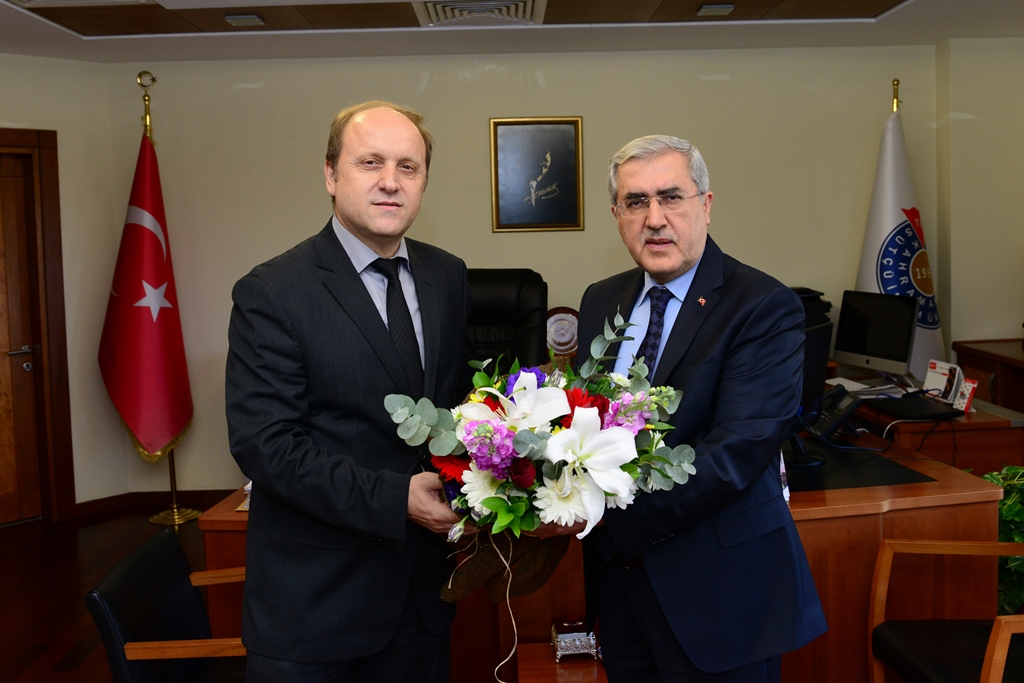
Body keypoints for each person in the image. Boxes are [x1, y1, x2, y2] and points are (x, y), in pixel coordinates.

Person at [225, 100, 474, 683]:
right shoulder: (273, 290)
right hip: (314, 608)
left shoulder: (447, 276)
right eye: (370, 162)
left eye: (408, 167)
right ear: (331, 175)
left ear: (424, 181)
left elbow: (458, 406)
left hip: (421, 601)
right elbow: (266, 444)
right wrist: (394, 499)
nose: (391, 181)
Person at [570, 135, 827, 682]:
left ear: (706, 205)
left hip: (722, 597)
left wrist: (605, 515)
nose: (654, 219)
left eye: (671, 197)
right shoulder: (599, 300)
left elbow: (735, 453)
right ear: (617, 214)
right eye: (636, 202)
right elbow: (583, 424)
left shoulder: (763, 305)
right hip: (620, 594)